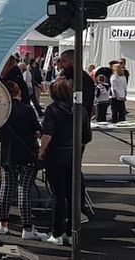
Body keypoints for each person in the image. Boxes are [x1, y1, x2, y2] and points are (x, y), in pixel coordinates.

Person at [0, 80, 48, 241]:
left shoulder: (1, 112)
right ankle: (27, 227)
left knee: (6, 188)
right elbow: (37, 130)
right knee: (24, 190)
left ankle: (3, 224)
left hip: (7, 155)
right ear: (18, 93)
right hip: (26, 154)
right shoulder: (27, 110)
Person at [38, 80, 89, 247]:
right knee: (72, 194)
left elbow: (47, 134)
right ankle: (70, 231)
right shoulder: (80, 109)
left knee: (58, 196)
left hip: (55, 156)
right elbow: (87, 136)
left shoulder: (52, 110)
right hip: (74, 156)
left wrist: (41, 151)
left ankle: (56, 233)